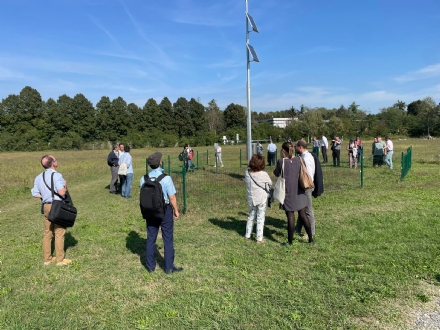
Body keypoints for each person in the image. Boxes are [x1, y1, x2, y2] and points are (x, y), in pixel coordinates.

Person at [140, 152, 182, 274]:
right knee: (167, 238)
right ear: (160, 163)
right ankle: (169, 267)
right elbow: (172, 197)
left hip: (149, 211)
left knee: (151, 237)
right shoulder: (166, 178)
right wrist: (176, 210)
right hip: (165, 210)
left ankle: (150, 266)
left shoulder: (144, 178)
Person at [31, 155, 72, 266]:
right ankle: (60, 260)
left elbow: (35, 194)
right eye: (55, 159)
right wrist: (65, 185)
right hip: (57, 205)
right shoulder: (57, 175)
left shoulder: (39, 177)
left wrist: (45, 196)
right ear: (53, 163)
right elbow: (62, 192)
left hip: (46, 206)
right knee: (59, 231)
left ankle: (47, 259)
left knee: (48, 232)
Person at [274, 142, 313, 245]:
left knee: (290, 216)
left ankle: (290, 242)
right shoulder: (300, 159)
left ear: (284, 151)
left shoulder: (281, 161)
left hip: (288, 192)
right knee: (303, 215)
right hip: (300, 191)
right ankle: (311, 239)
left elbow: (276, 173)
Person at [244, 154, 272, 243]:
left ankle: (247, 234)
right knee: (260, 218)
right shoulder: (263, 174)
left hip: (251, 198)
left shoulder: (247, 172)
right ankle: (259, 238)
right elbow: (270, 183)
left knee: (251, 216)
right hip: (261, 199)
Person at [294, 140, 316, 238]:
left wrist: (307, 184)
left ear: (300, 147)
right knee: (301, 208)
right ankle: (298, 228)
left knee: (308, 210)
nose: (295, 148)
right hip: (306, 185)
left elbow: (308, 174)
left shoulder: (306, 158)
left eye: (296, 146)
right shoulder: (305, 156)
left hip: (307, 186)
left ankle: (311, 232)